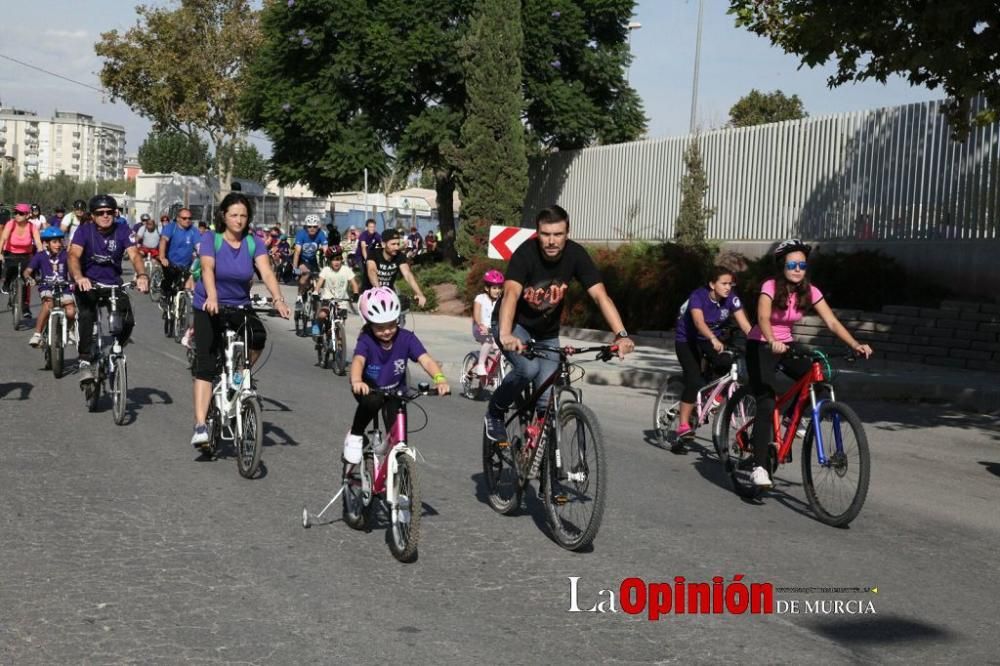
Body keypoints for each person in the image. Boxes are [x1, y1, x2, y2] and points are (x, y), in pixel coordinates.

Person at [483, 205, 635, 443]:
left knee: (546, 395)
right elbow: (511, 294)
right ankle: (496, 411)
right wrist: (505, 334)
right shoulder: (525, 254)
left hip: (546, 332)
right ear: (537, 233)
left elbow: (600, 296)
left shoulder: (576, 255)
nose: (551, 241)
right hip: (513, 324)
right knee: (528, 369)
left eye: (558, 234)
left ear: (567, 233)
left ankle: (533, 447)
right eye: (546, 234)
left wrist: (621, 334)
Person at [745, 239, 874, 489]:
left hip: (787, 345)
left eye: (802, 265)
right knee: (767, 400)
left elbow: (832, 322)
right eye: (792, 264)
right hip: (761, 344)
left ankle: (789, 420)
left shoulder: (810, 291)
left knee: (818, 382)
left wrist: (855, 344)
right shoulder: (770, 286)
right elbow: (762, 317)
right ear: (782, 265)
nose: (797, 269)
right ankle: (758, 466)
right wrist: (771, 340)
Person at [189, 192, 291, 450]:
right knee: (206, 363)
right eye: (233, 215)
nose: (238, 220)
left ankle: (238, 377)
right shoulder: (212, 238)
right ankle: (201, 425)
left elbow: (266, 271)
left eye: (243, 215)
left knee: (258, 336)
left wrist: (278, 298)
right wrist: (212, 296)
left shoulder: (253, 242)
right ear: (223, 216)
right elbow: (208, 268)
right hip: (208, 305)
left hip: (239, 305)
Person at [343, 287, 449, 463]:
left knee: (399, 439)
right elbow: (358, 361)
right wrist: (356, 380)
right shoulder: (366, 339)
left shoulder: (406, 338)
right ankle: (355, 434)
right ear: (369, 323)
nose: (387, 331)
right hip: (368, 388)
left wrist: (440, 379)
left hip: (395, 391)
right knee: (373, 400)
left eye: (392, 325)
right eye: (380, 327)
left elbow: (427, 361)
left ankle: (399, 477)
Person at [68, 194, 151, 385]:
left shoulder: (123, 230)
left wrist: (142, 275)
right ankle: (85, 360)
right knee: (87, 315)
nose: (105, 216)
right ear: (93, 215)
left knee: (128, 320)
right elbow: (73, 256)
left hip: (113, 283)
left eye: (110, 212)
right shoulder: (84, 231)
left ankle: (117, 348)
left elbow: (135, 256)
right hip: (88, 283)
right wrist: (79, 277)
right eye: (100, 213)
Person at [671, 266, 753, 448]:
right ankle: (683, 424)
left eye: (730, 284)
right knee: (693, 380)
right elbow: (699, 322)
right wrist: (713, 338)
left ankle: (711, 397)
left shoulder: (731, 298)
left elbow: (746, 326)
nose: (728, 287)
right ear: (712, 284)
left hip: (711, 339)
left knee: (726, 363)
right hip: (688, 340)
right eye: (723, 283)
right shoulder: (698, 296)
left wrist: (760, 342)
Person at [24, 227, 76, 348]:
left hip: (64, 287)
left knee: (71, 311)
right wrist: (29, 278)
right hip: (46, 286)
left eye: (60, 241)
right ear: (46, 243)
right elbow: (27, 271)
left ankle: (69, 330)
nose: (58, 245)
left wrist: (75, 280)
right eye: (54, 242)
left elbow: (73, 271)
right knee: (48, 304)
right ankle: (37, 334)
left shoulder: (66, 255)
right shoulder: (40, 256)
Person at [360, 228, 427, 308]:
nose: (396, 247)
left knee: (397, 317)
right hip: (369, 294)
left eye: (398, 244)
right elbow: (372, 271)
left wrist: (419, 294)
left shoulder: (400, 256)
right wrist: (379, 291)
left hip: (388, 295)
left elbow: (408, 275)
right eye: (393, 244)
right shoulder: (373, 253)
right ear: (384, 244)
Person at [1, 203, 44, 317]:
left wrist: (41, 253)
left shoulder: (31, 227)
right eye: (15, 213)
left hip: (26, 254)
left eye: (20, 213)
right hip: (10, 253)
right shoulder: (11, 224)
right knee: (10, 269)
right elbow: (3, 238)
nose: (17, 215)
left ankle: (25, 308)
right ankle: (6, 283)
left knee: (27, 279)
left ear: (27, 215)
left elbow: (38, 241)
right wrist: (0, 253)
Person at [158, 207, 200, 311]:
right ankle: (164, 296)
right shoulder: (171, 228)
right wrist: (162, 257)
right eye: (184, 218)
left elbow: (199, 246)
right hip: (170, 262)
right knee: (169, 281)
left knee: (182, 286)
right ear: (178, 218)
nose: (187, 220)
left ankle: (181, 311)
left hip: (186, 265)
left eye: (190, 218)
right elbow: (163, 241)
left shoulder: (194, 231)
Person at [312, 246, 359, 336]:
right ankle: (317, 326)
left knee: (341, 323)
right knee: (322, 315)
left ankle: (339, 342)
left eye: (338, 259)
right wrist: (315, 292)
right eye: (333, 260)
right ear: (329, 261)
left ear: (342, 259)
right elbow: (319, 283)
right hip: (328, 298)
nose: (336, 262)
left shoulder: (346, 270)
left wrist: (356, 294)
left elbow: (354, 284)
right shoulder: (326, 270)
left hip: (341, 300)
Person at [471, 269, 504, 375]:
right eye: (494, 288)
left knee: (500, 351)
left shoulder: (501, 301)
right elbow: (476, 314)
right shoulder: (480, 298)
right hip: (479, 329)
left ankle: (493, 374)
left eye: (499, 288)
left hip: (493, 330)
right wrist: (481, 325)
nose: (497, 291)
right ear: (486, 288)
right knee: (489, 340)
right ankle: (480, 365)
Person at [292, 214, 328, 297]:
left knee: (319, 278)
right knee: (306, 274)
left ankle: (313, 293)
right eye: (309, 226)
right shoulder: (301, 234)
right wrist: (295, 268)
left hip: (313, 259)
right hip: (302, 259)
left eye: (314, 227)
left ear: (318, 226)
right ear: (306, 227)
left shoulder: (321, 233)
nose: (312, 229)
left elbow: (326, 250)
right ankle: (299, 297)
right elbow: (297, 251)